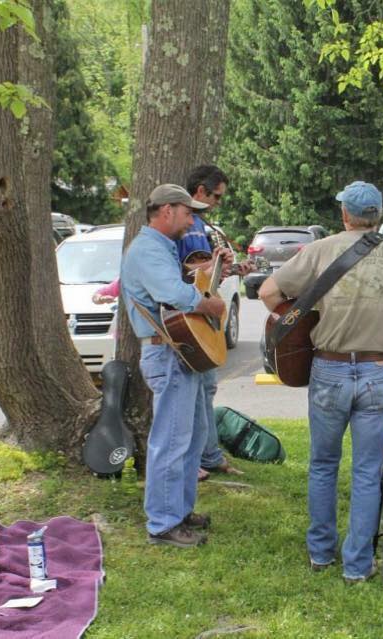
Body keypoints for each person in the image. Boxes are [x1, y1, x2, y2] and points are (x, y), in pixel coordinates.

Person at [258, 180, 383, 583]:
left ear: (345, 214)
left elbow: (267, 292)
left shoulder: (320, 249)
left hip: (328, 368)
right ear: (378, 217)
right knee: (367, 471)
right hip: (379, 370)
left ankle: (320, 554)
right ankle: (359, 565)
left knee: (323, 465)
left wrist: (307, 318)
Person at [120, 184, 227, 547]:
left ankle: (179, 511)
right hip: (168, 353)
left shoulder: (159, 248)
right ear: (167, 211)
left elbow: (178, 287)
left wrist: (211, 273)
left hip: (178, 352)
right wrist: (208, 304)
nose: (191, 218)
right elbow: (174, 295)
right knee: (171, 440)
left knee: (192, 436)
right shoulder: (149, 249)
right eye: (187, 212)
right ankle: (163, 524)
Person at [177, 164, 251, 480]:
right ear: (201, 192)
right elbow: (192, 271)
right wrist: (217, 261)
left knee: (205, 388)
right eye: (216, 197)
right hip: (188, 317)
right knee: (193, 393)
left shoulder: (198, 225)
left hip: (201, 314)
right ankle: (198, 458)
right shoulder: (189, 225)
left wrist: (231, 268)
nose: (218, 203)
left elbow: (208, 274)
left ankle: (209, 454)